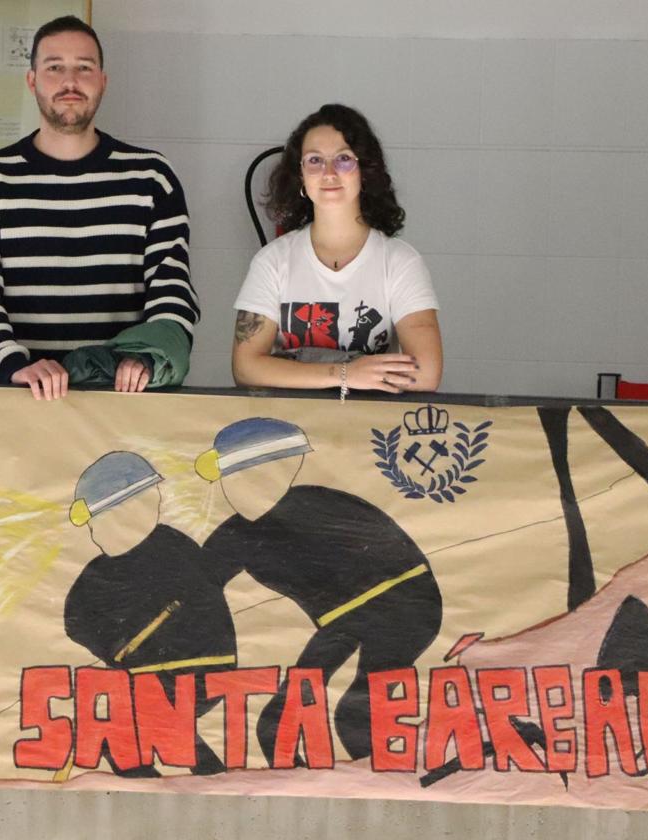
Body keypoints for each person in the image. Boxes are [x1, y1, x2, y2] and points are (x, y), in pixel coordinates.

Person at [0, 16, 199, 400]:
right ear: (32, 81)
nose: (70, 82)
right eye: (54, 68)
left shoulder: (151, 177)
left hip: (123, 400)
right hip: (18, 402)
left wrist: (147, 357)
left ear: (102, 81)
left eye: (84, 68)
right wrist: (13, 365)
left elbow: (171, 286)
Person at [195, 418, 442, 764]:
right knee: (285, 714)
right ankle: (306, 774)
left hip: (404, 601)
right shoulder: (235, 535)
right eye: (231, 477)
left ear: (287, 469)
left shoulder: (318, 504)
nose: (241, 487)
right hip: (344, 619)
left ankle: (388, 773)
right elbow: (195, 583)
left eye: (254, 475)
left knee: (352, 711)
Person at [232, 104, 442, 396]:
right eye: (315, 160)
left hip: (370, 431)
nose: (329, 172)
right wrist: (346, 373)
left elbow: (427, 373)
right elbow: (245, 368)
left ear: (364, 171)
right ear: (301, 176)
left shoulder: (400, 262)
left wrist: (294, 369)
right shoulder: (272, 261)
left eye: (343, 159)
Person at [65, 451, 236, 775]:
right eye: (93, 523)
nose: (94, 532)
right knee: (123, 734)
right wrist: (113, 648)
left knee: (125, 731)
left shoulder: (175, 549)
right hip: (146, 678)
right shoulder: (95, 576)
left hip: (197, 671)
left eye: (102, 520)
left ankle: (209, 782)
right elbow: (76, 619)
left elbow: (206, 611)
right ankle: (194, 783)